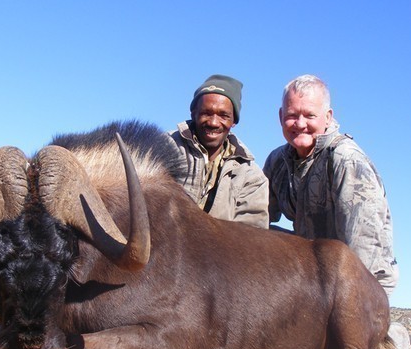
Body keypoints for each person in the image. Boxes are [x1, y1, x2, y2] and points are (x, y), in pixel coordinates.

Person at [264, 74, 398, 295]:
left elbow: (364, 249)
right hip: (313, 271)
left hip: (360, 280)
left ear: (327, 117)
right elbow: (258, 218)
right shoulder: (277, 161)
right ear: (280, 117)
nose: (300, 124)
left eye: (309, 115)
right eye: (291, 115)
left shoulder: (346, 160)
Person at [167, 74, 269, 228]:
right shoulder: (163, 147)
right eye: (206, 113)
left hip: (218, 251)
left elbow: (253, 233)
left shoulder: (251, 176)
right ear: (193, 113)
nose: (214, 122)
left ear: (234, 121)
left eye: (224, 115)